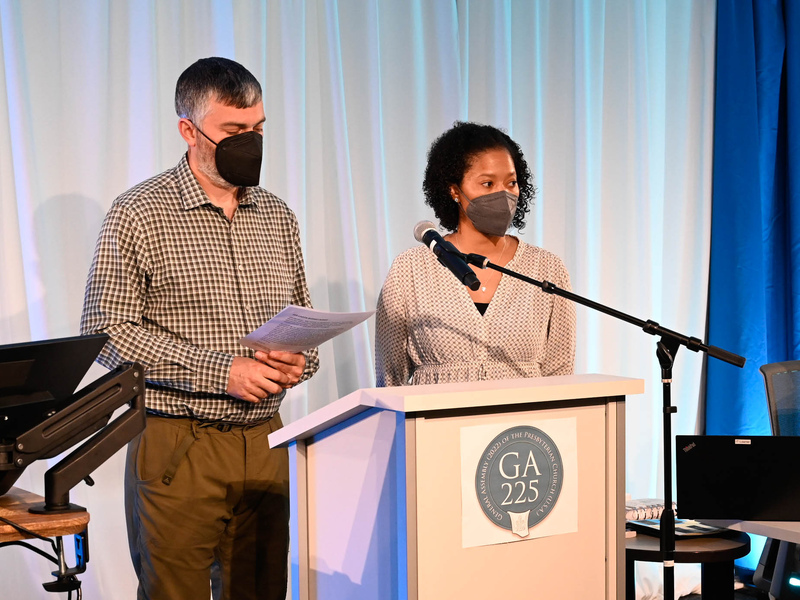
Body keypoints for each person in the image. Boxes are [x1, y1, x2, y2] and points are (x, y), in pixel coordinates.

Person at [81, 57, 319, 600]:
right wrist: (221, 371)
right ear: (189, 130)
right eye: (234, 131)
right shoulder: (139, 212)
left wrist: (301, 361)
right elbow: (106, 330)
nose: (251, 143)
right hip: (177, 445)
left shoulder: (277, 216)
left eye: (258, 130)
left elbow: (300, 317)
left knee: (261, 591)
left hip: (264, 442)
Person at [375, 121, 575, 386]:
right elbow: (390, 381)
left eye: (511, 182)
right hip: (435, 424)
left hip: (521, 426)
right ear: (454, 190)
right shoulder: (410, 270)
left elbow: (560, 375)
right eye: (488, 183)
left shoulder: (547, 269)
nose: (503, 194)